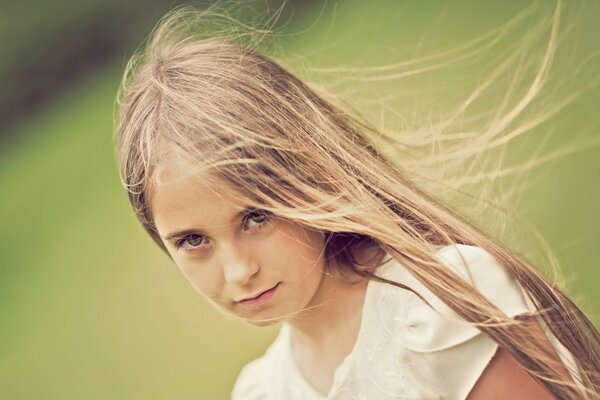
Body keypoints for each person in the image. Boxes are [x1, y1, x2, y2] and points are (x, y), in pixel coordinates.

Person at [113, 4, 600, 399]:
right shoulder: (261, 391)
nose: (239, 271)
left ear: (305, 176)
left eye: (256, 217)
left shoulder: (437, 309)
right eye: (193, 240)